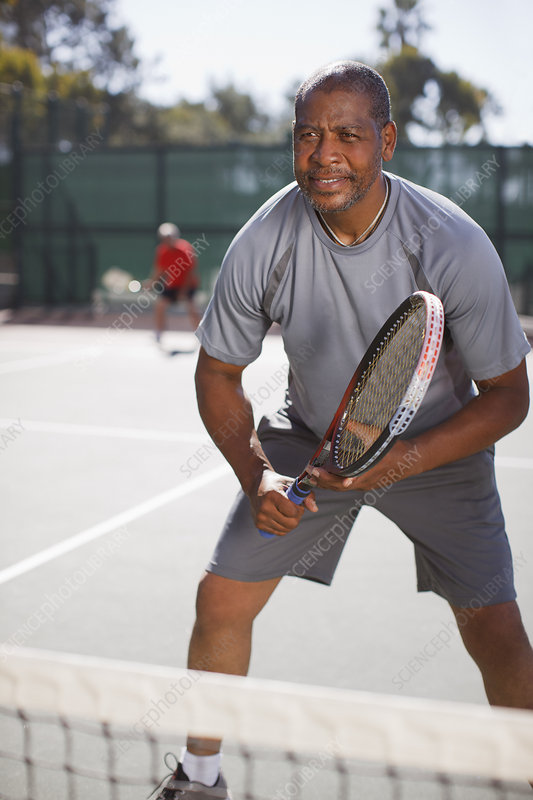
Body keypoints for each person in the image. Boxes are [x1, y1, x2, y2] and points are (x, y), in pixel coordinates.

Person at [152, 61, 532, 799]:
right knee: (220, 596)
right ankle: (199, 778)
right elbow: (216, 374)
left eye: (349, 135)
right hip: (310, 439)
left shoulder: (451, 243)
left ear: (385, 140)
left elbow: (509, 397)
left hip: (441, 449)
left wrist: (393, 464)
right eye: (307, 136)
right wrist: (256, 473)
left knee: (493, 626)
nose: (324, 154)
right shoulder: (267, 238)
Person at [146, 222, 202, 343]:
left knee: (192, 308)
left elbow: (190, 273)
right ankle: (159, 332)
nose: (167, 240)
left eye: (169, 237)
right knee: (160, 306)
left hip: (188, 285)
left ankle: (201, 335)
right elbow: (159, 270)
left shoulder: (185, 249)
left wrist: (184, 291)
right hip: (172, 285)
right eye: (164, 238)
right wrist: (151, 282)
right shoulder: (161, 251)